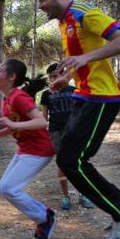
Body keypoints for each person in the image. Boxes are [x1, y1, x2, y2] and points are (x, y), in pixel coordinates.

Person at [37, 0, 120, 239]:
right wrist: (66, 80)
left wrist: (84, 58)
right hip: (84, 97)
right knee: (69, 161)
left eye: (43, 0)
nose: (41, 6)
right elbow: (82, 62)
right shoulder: (64, 23)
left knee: (73, 161)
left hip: (102, 98)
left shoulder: (84, 14)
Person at [0, 59, 57, 239]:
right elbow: (14, 127)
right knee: (4, 188)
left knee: (9, 189)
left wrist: (14, 125)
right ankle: (44, 217)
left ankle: (45, 217)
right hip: (26, 149)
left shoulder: (19, 97)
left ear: (12, 77)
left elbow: (41, 122)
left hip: (40, 150)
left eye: (0, 71)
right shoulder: (7, 99)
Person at [40, 63, 94, 211]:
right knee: (62, 165)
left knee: (77, 164)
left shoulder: (75, 90)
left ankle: (83, 195)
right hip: (56, 133)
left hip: (74, 131)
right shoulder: (46, 94)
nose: (54, 79)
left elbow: (83, 113)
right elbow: (44, 117)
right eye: (51, 77)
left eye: (57, 75)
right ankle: (66, 196)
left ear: (64, 76)